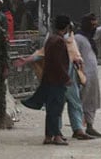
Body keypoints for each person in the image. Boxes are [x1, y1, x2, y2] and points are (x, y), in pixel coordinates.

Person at [74, 13, 101, 138]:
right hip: (83, 75)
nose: (94, 27)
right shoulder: (78, 38)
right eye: (92, 24)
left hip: (93, 75)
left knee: (92, 100)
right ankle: (78, 128)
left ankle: (90, 126)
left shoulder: (91, 36)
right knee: (81, 101)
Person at [41, 15, 72, 146]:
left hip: (49, 79)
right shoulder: (59, 41)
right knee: (56, 108)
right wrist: (66, 77)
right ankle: (57, 135)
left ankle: (49, 135)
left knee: (50, 109)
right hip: (57, 80)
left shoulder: (50, 40)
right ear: (66, 28)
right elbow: (59, 63)